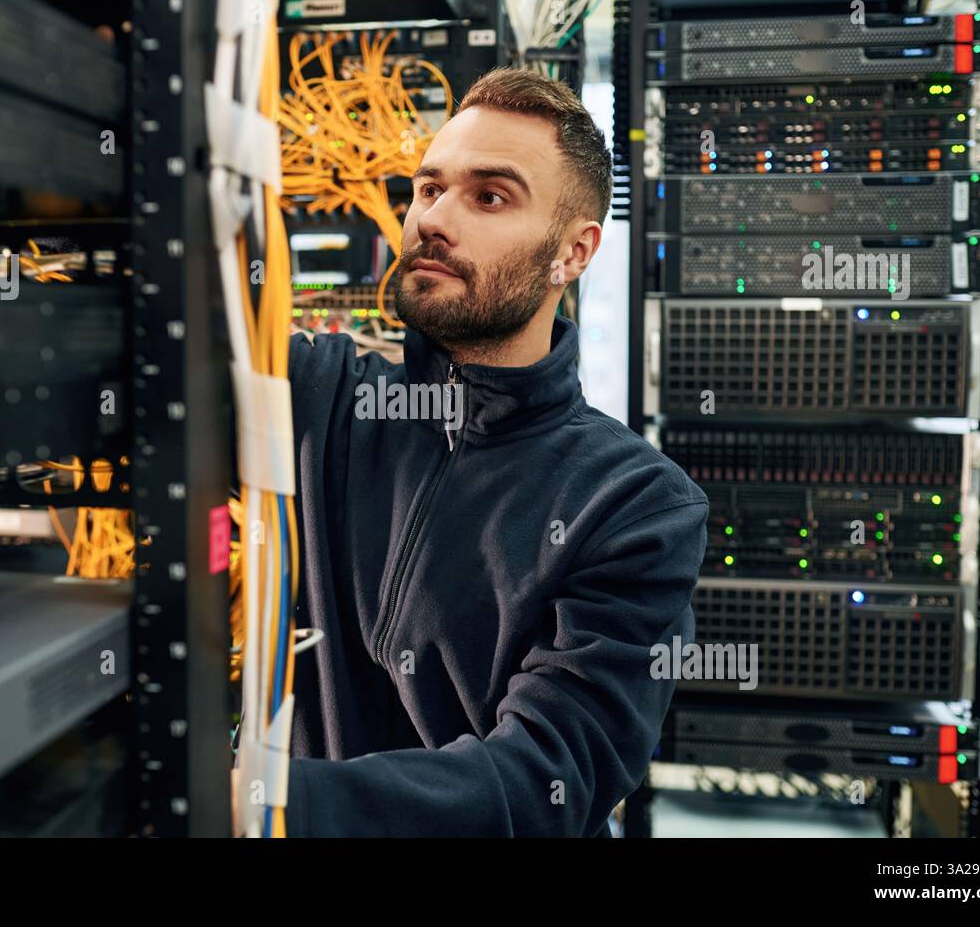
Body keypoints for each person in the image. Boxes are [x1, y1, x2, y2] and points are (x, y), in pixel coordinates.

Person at [279, 67, 708, 836]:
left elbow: (540, 779)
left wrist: (261, 801)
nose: (435, 219)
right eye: (428, 188)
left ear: (572, 254)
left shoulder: (634, 505)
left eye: (490, 196)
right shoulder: (324, 397)